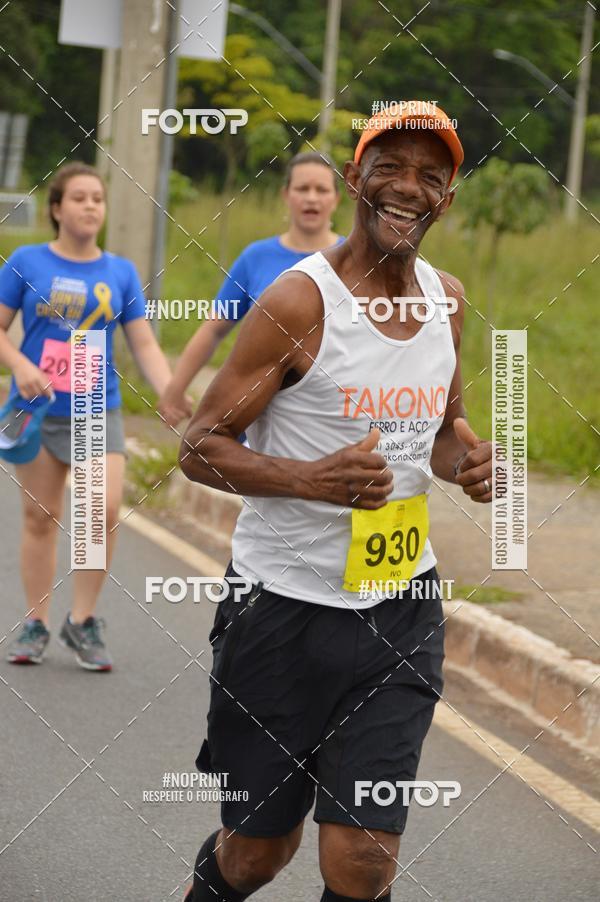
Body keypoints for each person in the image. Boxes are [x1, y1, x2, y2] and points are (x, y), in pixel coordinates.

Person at [179, 103, 492, 902]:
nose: (408, 187)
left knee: (363, 861)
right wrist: (308, 479)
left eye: (430, 175)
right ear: (356, 178)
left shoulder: (448, 302)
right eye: (389, 167)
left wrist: (469, 463)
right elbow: (200, 445)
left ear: (448, 197)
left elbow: (441, 434)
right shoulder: (298, 303)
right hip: (279, 609)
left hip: (400, 607)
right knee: (257, 854)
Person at [0, 161, 184, 671]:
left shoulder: (120, 272)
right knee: (40, 517)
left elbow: (143, 343)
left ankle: (82, 621)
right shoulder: (26, 261)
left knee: (100, 511)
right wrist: (20, 365)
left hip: (94, 410)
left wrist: (170, 391)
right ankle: (36, 622)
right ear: (57, 208)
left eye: (97, 199)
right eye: (79, 198)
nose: (90, 206)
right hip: (35, 410)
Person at [158, 151, 343, 426]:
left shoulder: (354, 259)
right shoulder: (255, 258)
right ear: (286, 195)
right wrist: (175, 390)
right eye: (302, 188)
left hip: (331, 414)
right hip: (258, 416)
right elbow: (213, 329)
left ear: (336, 199)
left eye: (321, 190)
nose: (312, 198)